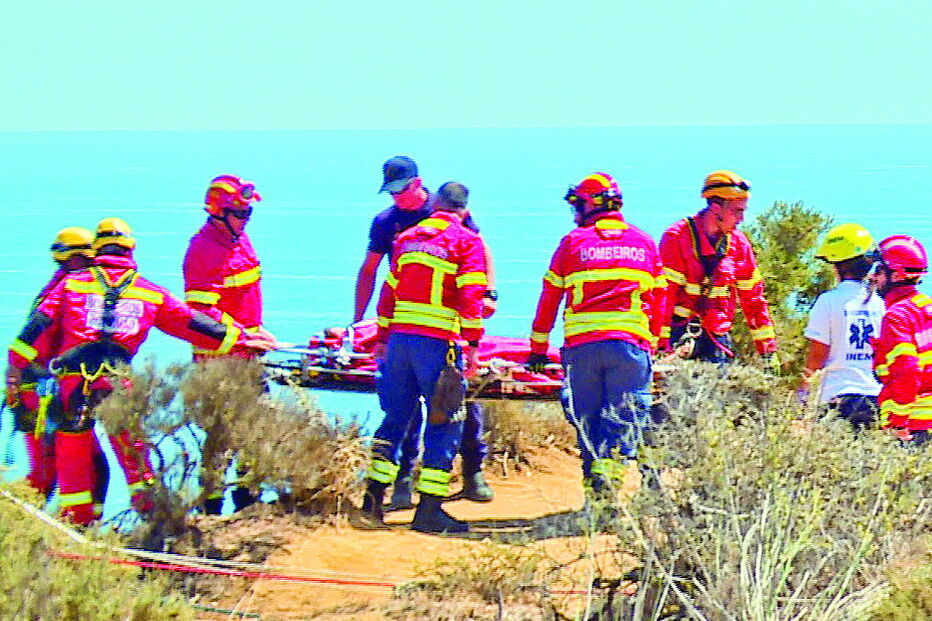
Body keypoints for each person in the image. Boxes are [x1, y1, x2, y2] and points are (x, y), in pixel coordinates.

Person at [7, 218, 272, 525]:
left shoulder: (70, 285)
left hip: (73, 384)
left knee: (74, 459)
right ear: (130, 249)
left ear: (96, 249)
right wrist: (242, 338)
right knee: (134, 457)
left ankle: (77, 528)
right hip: (118, 383)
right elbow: (192, 323)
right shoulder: (149, 293)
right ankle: (154, 517)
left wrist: (14, 368)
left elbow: (36, 327)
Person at [353, 156, 495, 509]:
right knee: (446, 417)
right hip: (437, 343)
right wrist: (474, 345)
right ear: (462, 212)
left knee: (394, 418)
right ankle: (429, 506)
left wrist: (381, 337)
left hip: (400, 342)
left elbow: (387, 291)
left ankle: (372, 500)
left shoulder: (405, 238)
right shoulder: (463, 239)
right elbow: (470, 298)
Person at [527, 173, 664, 500]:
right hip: (629, 348)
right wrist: (654, 344)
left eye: (578, 205)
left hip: (582, 350)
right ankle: (607, 495)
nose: (575, 213)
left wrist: (537, 349)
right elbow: (659, 303)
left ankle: (596, 495)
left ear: (592, 205)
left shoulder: (573, 243)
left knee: (587, 421)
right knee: (621, 419)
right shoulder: (644, 243)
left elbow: (550, 298)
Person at [5, 227, 95, 496]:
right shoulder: (65, 292)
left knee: (63, 467)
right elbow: (37, 341)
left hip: (42, 389)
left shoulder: (61, 288)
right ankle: (26, 526)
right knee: (46, 473)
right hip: (40, 392)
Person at [657, 170, 777, 363]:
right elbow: (664, 296)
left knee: (717, 392)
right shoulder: (677, 237)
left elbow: (753, 300)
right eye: (736, 211)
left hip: (717, 339)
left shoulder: (738, 243)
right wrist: (661, 345)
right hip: (678, 335)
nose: (741, 219)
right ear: (715, 208)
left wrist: (767, 351)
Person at [183, 174, 278, 361]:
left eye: (248, 212)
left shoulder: (240, 241)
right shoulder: (204, 250)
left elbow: (243, 299)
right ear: (218, 213)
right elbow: (199, 309)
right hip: (217, 361)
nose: (246, 219)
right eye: (240, 214)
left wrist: (258, 331)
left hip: (247, 353)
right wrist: (244, 337)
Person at [800, 223, 884, 428]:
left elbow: (817, 356)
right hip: (874, 398)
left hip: (837, 398)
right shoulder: (880, 304)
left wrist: (803, 393)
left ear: (836, 265)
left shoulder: (828, 301)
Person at [871, 235, 932, 445]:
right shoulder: (926, 306)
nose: (873, 277)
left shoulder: (897, 317)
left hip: (916, 428)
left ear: (896, 275)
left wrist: (897, 423)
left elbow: (906, 369)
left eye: (878, 271)